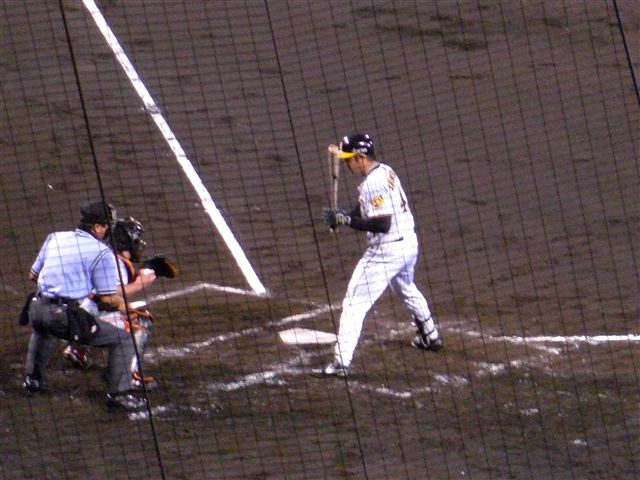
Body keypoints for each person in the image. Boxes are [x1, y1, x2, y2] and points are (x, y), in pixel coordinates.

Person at [316, 133, 443, 377]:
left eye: (349, 159)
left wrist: (346, 221)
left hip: (386, 252)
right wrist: (345, 216)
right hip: (408, 245)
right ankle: (430, 335)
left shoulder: (373, 182)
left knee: (354, 304)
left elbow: (382, 223)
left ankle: (341, 363)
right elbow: (366, 207)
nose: (346, 164)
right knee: (405, 288)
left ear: (360, 158)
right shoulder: (385, 171)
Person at [23, 200, 146, 412]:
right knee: (123, 338)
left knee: (43, 329)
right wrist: (124, 305)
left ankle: (32, 381)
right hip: (64, 316)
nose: (107, 231)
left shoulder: (55, 237)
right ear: (97, 227)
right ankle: (119, 395)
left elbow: (33, 275)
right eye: (106, 226)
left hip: (36, 308)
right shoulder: (101, 252)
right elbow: (107, 298)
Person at [63, 216, 157, 390]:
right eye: (137, 239)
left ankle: (77, 349)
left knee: (98, 306)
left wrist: (145, 272)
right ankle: (130, 375)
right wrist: (140, 284)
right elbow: (106, 294)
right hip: (82, 323)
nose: (140, 244)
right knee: (141, 320)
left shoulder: (103, 254)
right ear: (128, 241)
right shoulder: (115, 263)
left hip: (66, 318)